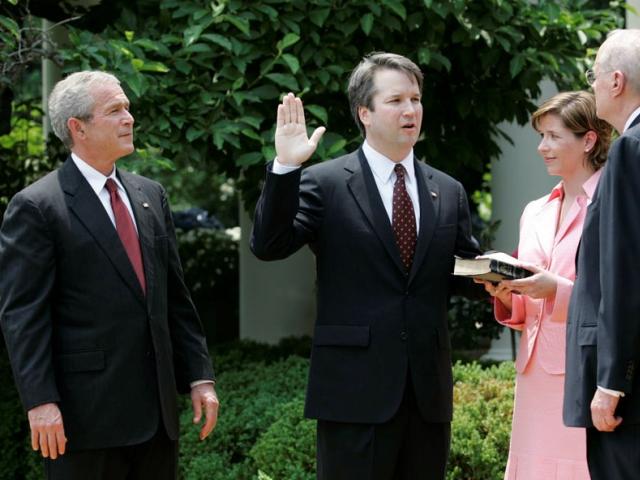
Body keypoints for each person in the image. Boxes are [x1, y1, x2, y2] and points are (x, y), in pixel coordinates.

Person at [251, 52, 481, 479]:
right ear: (365, 113)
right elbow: (269, 245)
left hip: (427, 395)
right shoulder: (325, 182)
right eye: (395, 101)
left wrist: (502, 281)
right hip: (353, 393)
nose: (410, 110)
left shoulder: (446, 190)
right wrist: (285, 167)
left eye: (415, 99)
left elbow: (462, 270)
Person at [0, 71, 219, 480]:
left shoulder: (151, 195)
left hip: (157, 419)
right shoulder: (36, 207)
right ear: (77, 127)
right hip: (85, 421)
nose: (129, 118)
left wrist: (199, 376)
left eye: (128, 108)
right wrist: (40, 402)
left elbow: (174, 298)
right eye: (115, 110)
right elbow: (23, 316)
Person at [477, 91, 611, 479]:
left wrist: (558, 290)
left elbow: (619, 291)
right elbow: (529, 300)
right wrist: (507, 295)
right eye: (541, 136)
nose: (542, 147)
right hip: (533, 373)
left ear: (588, 140)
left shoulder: (613, 200)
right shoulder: (534, 211)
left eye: (553, 136)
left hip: (588, 368)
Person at [563, 29, 640, 479]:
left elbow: (624, 274)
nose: (590, 86)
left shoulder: (631, 148)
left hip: (630, 395)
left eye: (593, 76)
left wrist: (612, 380)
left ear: (615, 81)